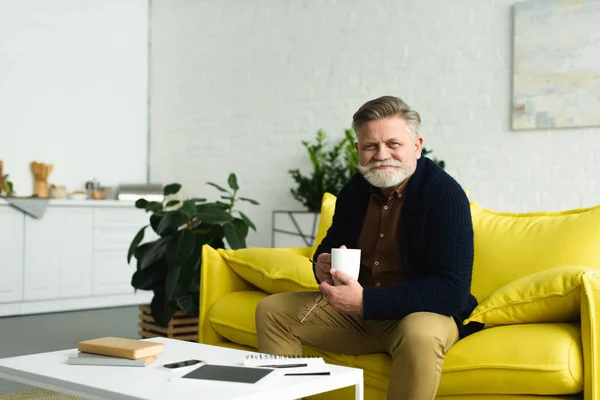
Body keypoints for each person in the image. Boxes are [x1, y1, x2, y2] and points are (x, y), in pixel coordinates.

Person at [255, 95, 483, 400]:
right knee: (272, 312)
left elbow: (451, 291)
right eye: (370, 146)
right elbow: (331, 246)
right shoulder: (355, 190)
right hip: (358, 314)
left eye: (393, 144)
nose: (381, 155)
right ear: (358, 150)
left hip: (419, 314)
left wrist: (366, 301)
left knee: (420, 334)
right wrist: (321, 265)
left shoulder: (445, 195)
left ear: (417, 145)